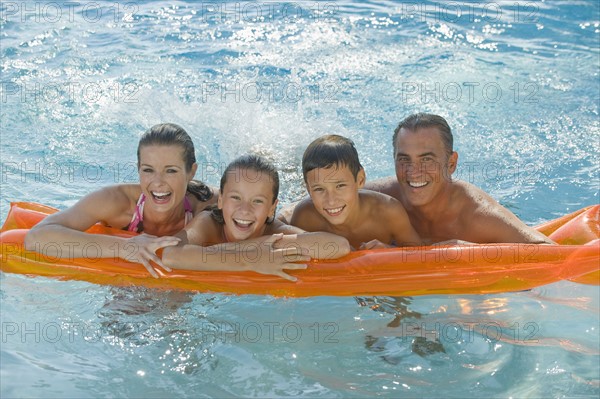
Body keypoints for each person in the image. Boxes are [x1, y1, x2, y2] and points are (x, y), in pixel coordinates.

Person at [25, 123, 310, 278]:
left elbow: (256, 214)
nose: (158, 183)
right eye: (148, 170)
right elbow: (37, 237)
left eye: (171, 171)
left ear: (191, 172)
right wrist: (125, 247)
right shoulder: (116, 202)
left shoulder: (207, 204)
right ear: (138, 171)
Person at [364, 113, 555, 244]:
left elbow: (549, 251)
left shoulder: (477, 216)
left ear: (451, 163)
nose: (413, 172)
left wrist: (463, 251)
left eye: (427, 159)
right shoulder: (377, 200)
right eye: (404, 159)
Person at [163, 154, 351, 280]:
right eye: (235, 198)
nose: (245, 210)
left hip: (285, 214)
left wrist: (251, 246)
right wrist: (251, 259)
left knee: (292, 209)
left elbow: (339, 246)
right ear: (220, 200)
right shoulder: (209, 221)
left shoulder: (276, 231)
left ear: (271, 209)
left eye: (258, 201)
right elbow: (171, 255)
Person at [289, 134, 422, 250]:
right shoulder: (305, 217)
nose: (331, 200)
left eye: (340, 186)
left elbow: (420, 254)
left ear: (360, 179)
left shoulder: (388, 211)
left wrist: (389, 250)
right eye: (319, 189)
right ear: (309, 189)